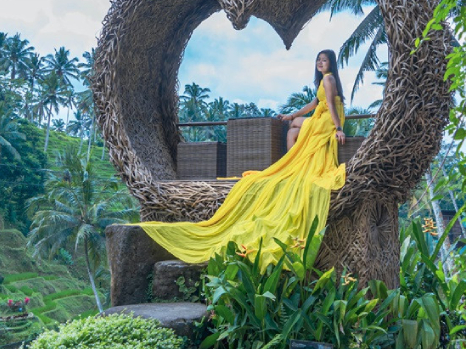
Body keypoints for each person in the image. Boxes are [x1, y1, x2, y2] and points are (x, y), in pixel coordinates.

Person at [139, 50, 347, 269]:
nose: (319, 63)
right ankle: (293, 159)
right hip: (321, 115)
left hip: (329, 120)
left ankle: (292, 161)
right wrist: (292, 115)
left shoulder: (329, 78)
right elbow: (314, 103)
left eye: (323, 60)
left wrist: (339, 128)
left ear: (330, 63)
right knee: (292, 129)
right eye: (318, 60)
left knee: (293, 130)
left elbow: (331, 106)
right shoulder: (323, 81)